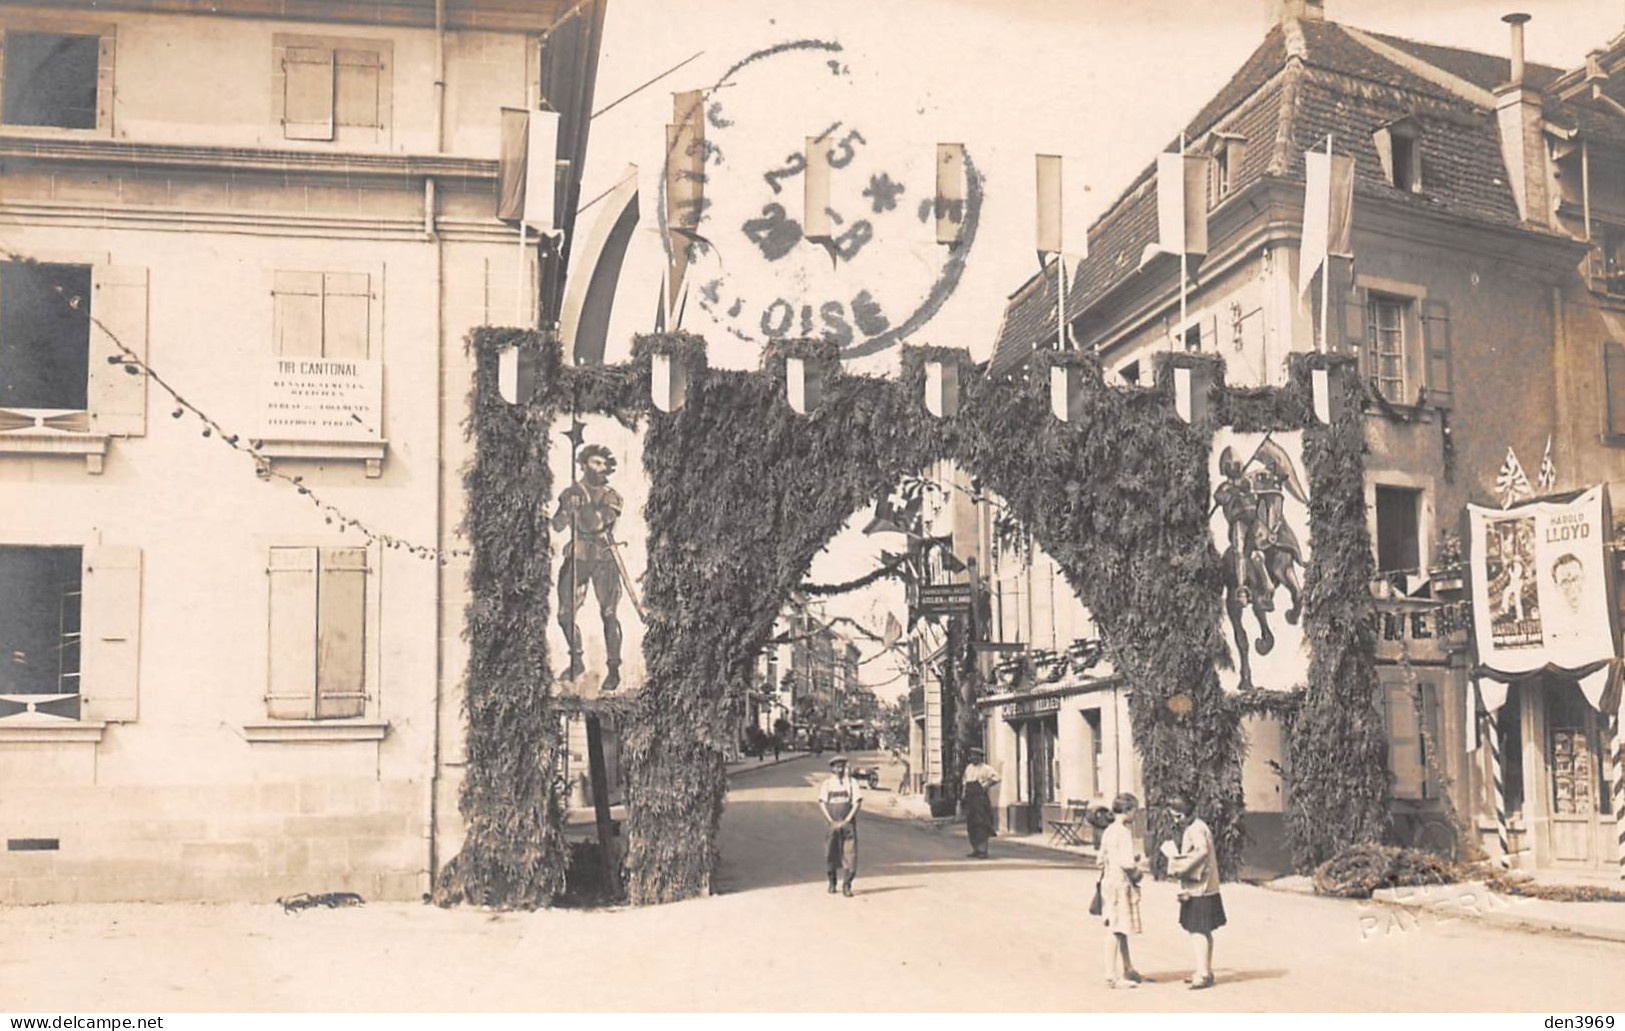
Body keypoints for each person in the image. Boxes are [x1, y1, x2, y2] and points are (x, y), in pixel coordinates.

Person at [552, 443, 625, 691]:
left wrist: (580, 505)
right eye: (595, 462)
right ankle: (576, 659)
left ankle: (614, 668)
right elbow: (558, 525)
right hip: (578, 557)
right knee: (564, 614)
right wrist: (568, 508)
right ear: (584, 464)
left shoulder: (611, 496)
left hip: (604, 559)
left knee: (609, 613)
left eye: (604, 464)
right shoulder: (571, 492)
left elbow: (597, 524)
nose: (601, 467)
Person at [1161, 794, 1225, 991]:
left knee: (1197, 930)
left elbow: (1202, 851)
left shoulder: (1195, 829)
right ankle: (1205, 969)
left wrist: (1181, 866)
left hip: (1200, 887)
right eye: (1174, 816)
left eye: (1179, 816)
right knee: (1203, 929)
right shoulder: (1198, 826)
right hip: (1206, 887)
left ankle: (1203, 973)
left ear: (1188, 813)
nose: (1176, 820)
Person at [1098, 793, 1147, 990]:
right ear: (1127, 811)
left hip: (1109, 882)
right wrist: (1137, 872)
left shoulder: (1109, 831)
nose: (1135, 814)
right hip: (1120, 884)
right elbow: (1126, 862)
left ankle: (1128, 967)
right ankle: (1110, 975)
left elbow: (1100, 859)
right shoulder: (1123, 832)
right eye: (1134, 809)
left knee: (1120, 926)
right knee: (1116, 929)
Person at [818, 754, 863, 897]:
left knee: (850, 854)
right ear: (832, 769)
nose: (840, 769)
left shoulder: (851, 783)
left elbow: (857, 802)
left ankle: (847, 885)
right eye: (837, 766)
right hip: (832, 822)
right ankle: (832, 882)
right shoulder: (827, 784)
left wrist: (848, 818)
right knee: (831, 853)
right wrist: (830, 819)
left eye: (842, 766)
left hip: (847, 824)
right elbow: (822, 803)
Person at [961, 746, 1000, 859]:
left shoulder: (986, 768)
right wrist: (963, 794)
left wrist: (986, 785)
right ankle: (976, 849)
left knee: (981, 824)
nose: (973, 758)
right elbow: (964, 782)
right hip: (970, 799)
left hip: (980, 799)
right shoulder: (969, 768)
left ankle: (983, 850)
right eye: (972, 755)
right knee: (971, 825)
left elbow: (997, 777)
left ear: (980, 757)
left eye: (975, 756)